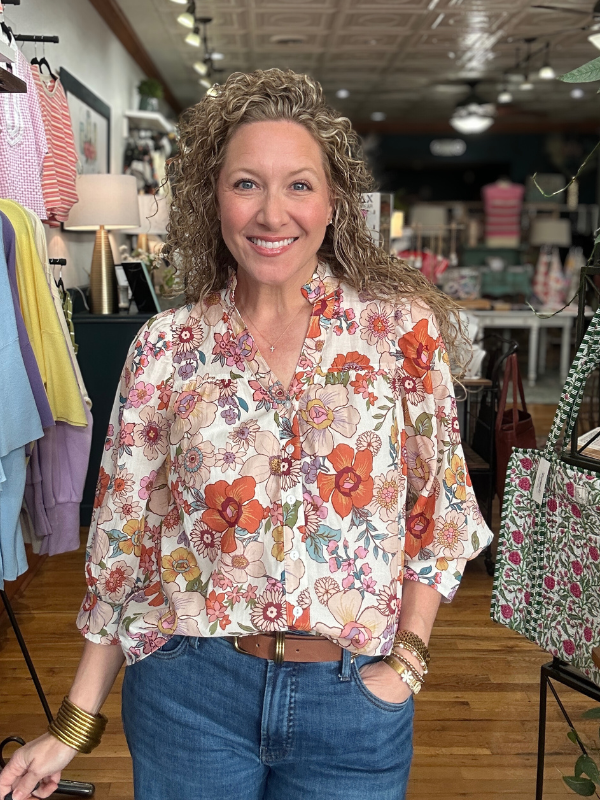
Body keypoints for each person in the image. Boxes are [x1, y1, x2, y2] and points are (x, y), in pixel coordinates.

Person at [0, 69, 493, 800]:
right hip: (188, 695)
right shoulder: (167, 349)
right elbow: (123, 544)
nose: (271, 213)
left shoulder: (397, 333)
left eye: (298, 185)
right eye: (245, 184)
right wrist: (73, 724)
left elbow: (440, 508)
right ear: (214, 200)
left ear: (332, 205)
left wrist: (408, 665)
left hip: (353, 701)